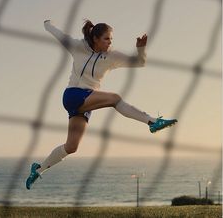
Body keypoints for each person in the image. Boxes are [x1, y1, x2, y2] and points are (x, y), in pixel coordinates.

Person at [26, 19, 177, 190]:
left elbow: (140, 63)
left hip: (87, 103)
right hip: (73, 95)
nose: (110, 42)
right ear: (95, 38)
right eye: (107, 39)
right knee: (114, 98)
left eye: (111, 39)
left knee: (71, 147)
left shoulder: (112, 56)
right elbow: (59, 35)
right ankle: (152, 122)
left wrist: (141, 48)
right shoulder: (78, 46)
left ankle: (38, 170)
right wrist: (47, 24)